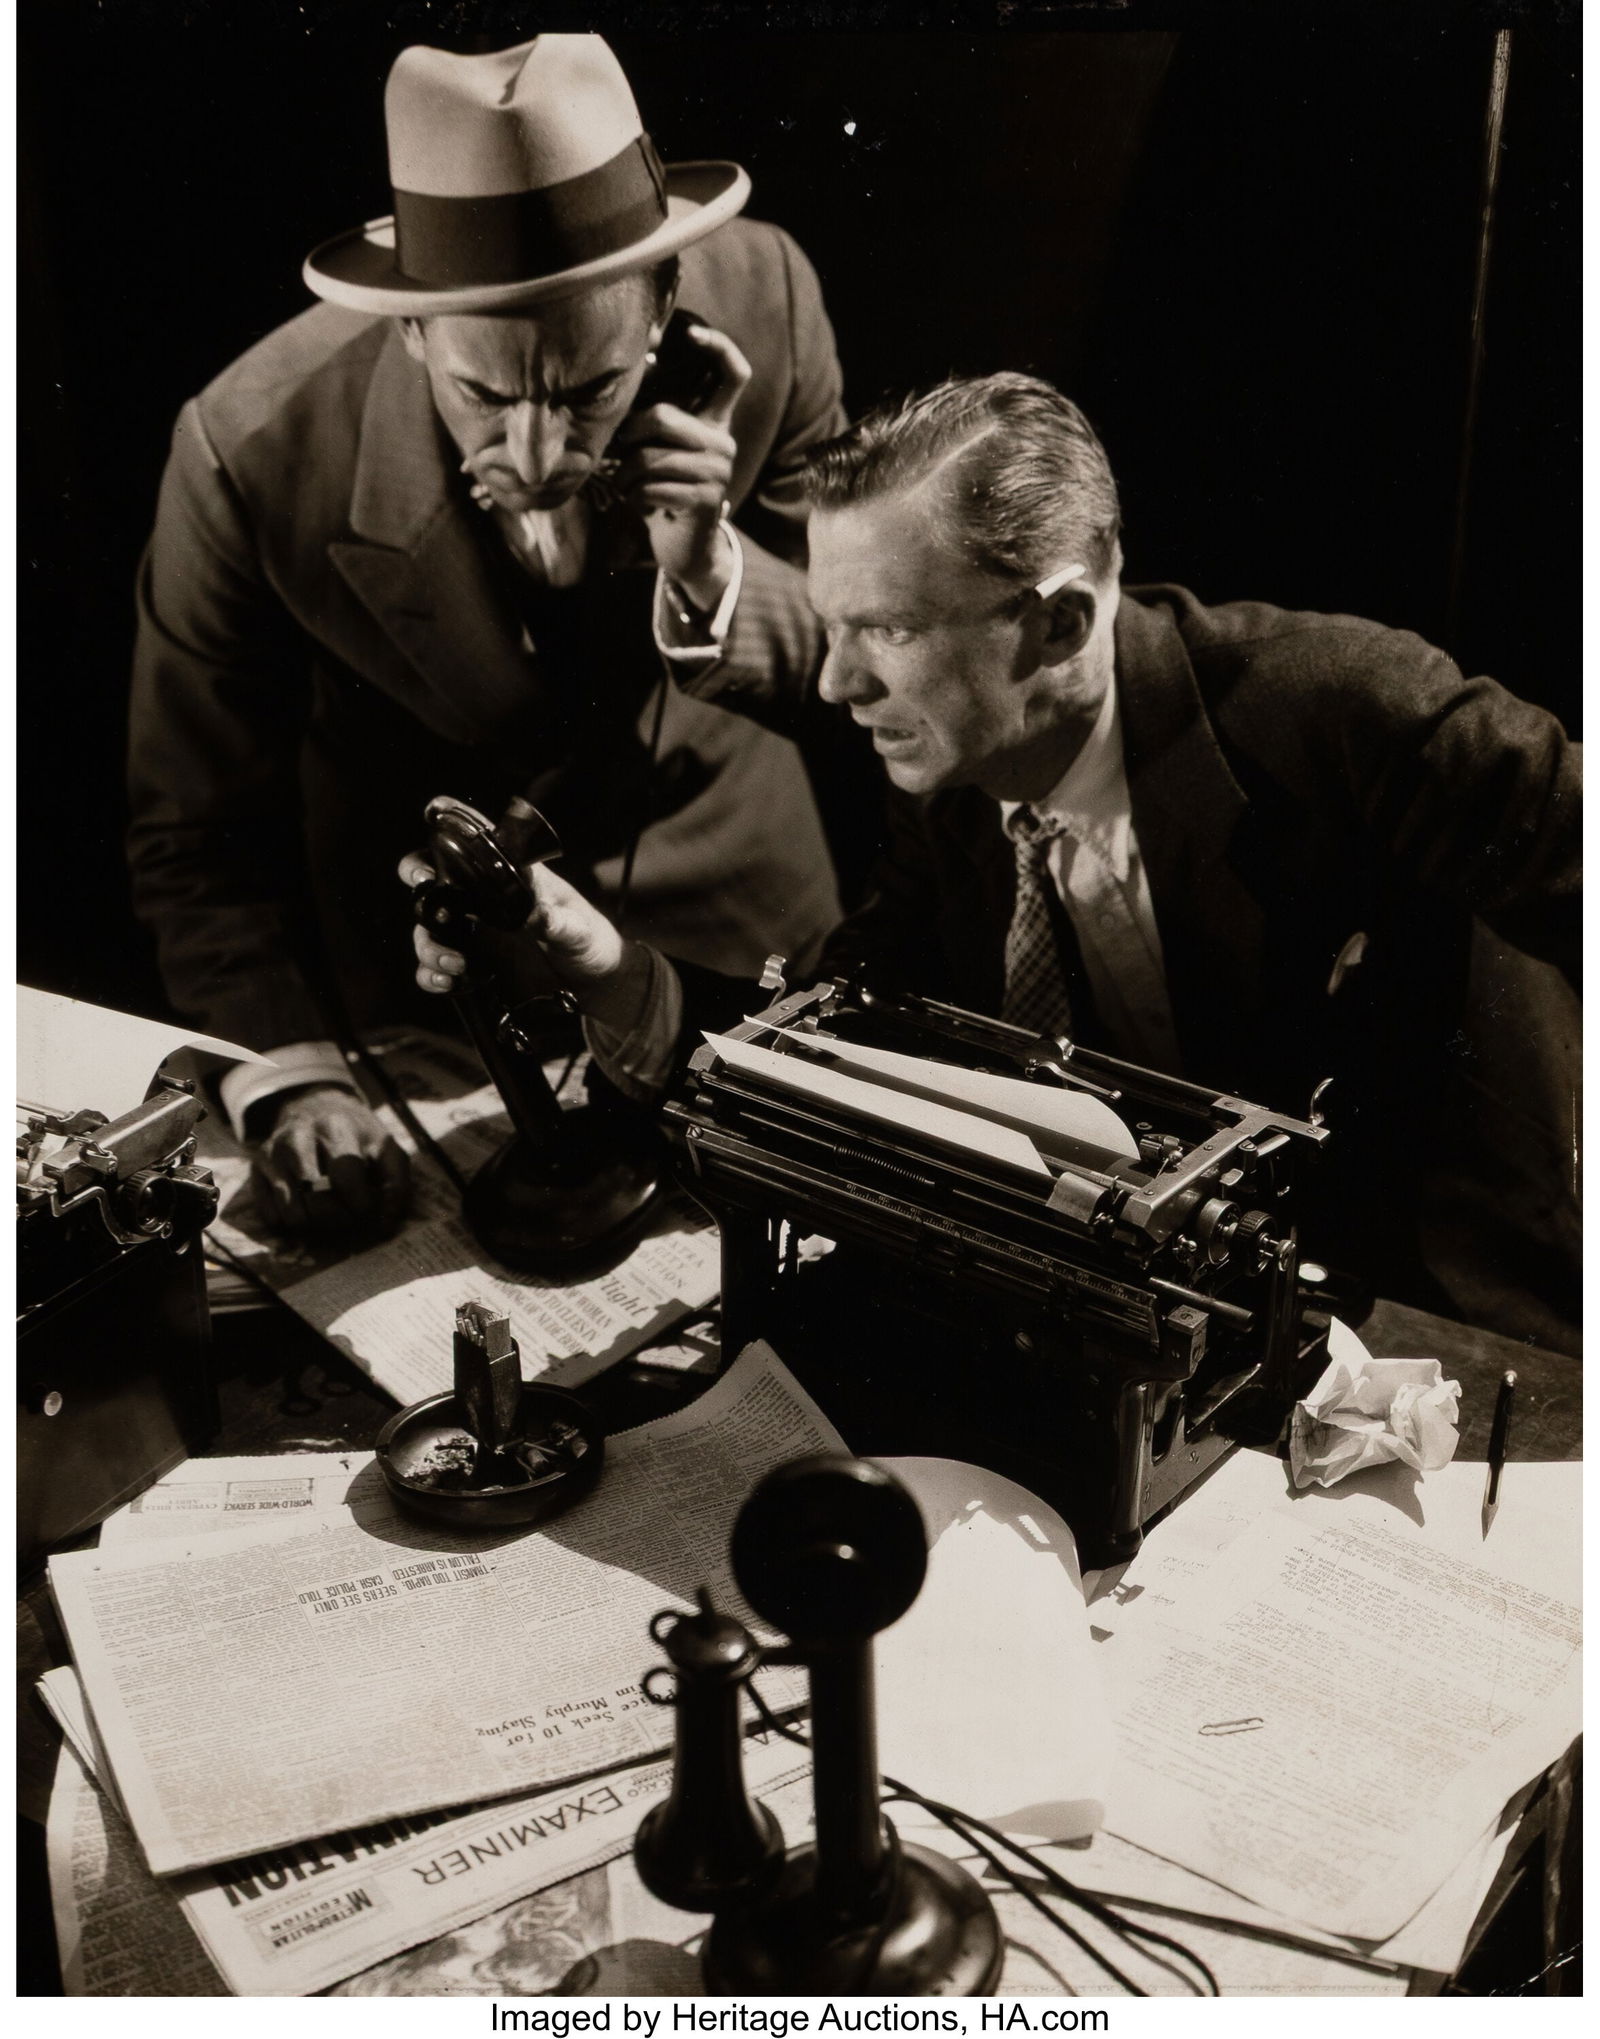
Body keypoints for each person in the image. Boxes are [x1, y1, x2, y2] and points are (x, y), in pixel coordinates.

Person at [413, 373, 1581, 1350]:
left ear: (1061, 625)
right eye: (832, 627)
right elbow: (825, 1046)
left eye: (890, 630)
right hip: (1175, 1333)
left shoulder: (1347, 709)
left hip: (1457, 1341)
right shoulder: (958, 788)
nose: (835, 683)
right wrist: (604, 962)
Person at [128, 33, 858, 1237]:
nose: (534, 458)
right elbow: (193, 837)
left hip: (738, 925)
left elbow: (867, 678)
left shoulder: (767, 302)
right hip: (445, 1007)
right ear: (409, 331)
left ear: (668, 299)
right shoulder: (248, 449)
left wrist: (712, 566)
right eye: (483, 397)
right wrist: (294, 1074)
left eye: (584, 393)